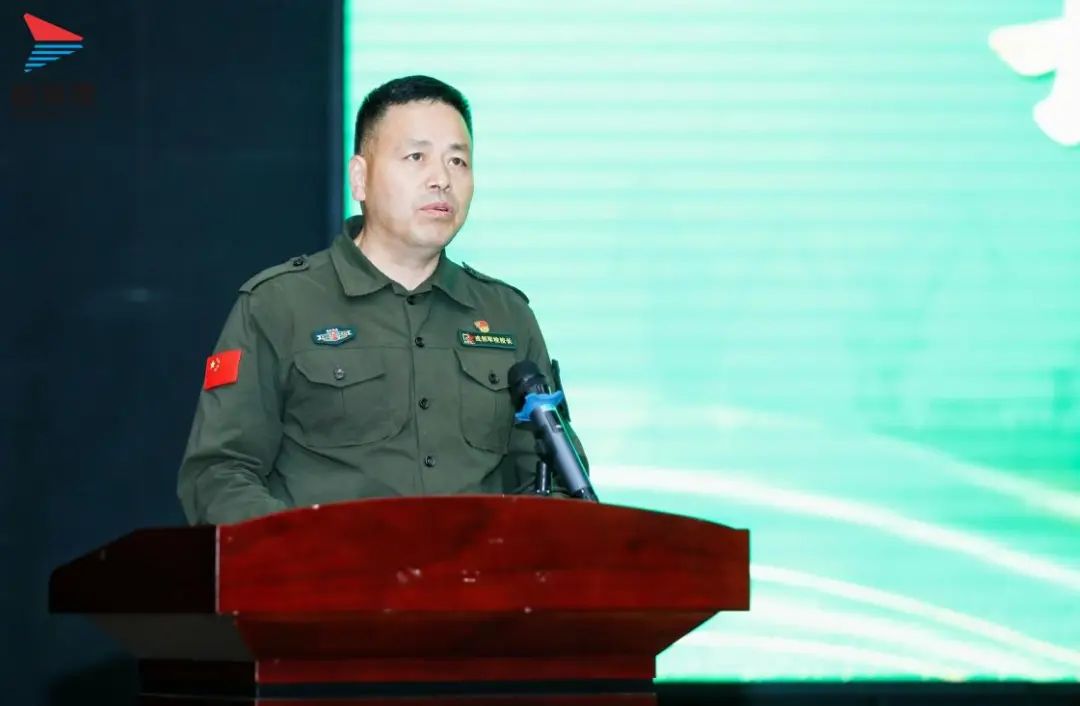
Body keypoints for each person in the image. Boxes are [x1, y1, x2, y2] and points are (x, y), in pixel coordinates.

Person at [177, 75, 587, 525]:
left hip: (477, 570)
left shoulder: (507, 316)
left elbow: (556, 483)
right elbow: (218, 476)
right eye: (416, 157)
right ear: (360, 178)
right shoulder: (278, 306)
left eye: (458, 161)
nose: (442, 180)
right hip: (322, 568)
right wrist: (307, 553)